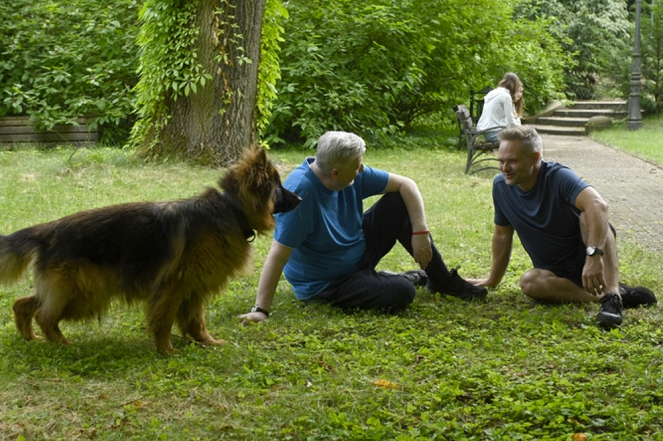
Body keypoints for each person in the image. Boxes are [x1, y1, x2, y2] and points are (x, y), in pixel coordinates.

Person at [239, 131, 487, 322]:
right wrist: (261, 310)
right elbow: (278, 255)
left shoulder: (351, 172)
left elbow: (406, 184)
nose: (362, 169)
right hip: (329, 282)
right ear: (335, 173)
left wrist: (420, 232)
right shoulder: (300, 194)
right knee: (402, 291)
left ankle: (441, 279)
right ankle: (397, 279)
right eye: (357, 166)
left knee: (397, 200)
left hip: (358, 250)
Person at [469, 125, 656, 328]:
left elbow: (598, 205)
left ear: (534, 157)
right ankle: (610, 296)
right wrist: (492, 280)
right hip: (554, 273)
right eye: (501, 161)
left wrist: (593, 256)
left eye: (512, 161)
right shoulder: (501, 187)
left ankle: (612, 296)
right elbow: (502, 235)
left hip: (585, 255)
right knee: (529, 282)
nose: (505, 168)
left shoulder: (558, 176)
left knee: (590, 215)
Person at [476, 73, 524, 142]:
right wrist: (524, 130)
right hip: (494, 134)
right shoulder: (506, 96)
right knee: (524, 139)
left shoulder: (494, 92)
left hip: (488, 132)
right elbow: (511, 123)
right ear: (513, 85)